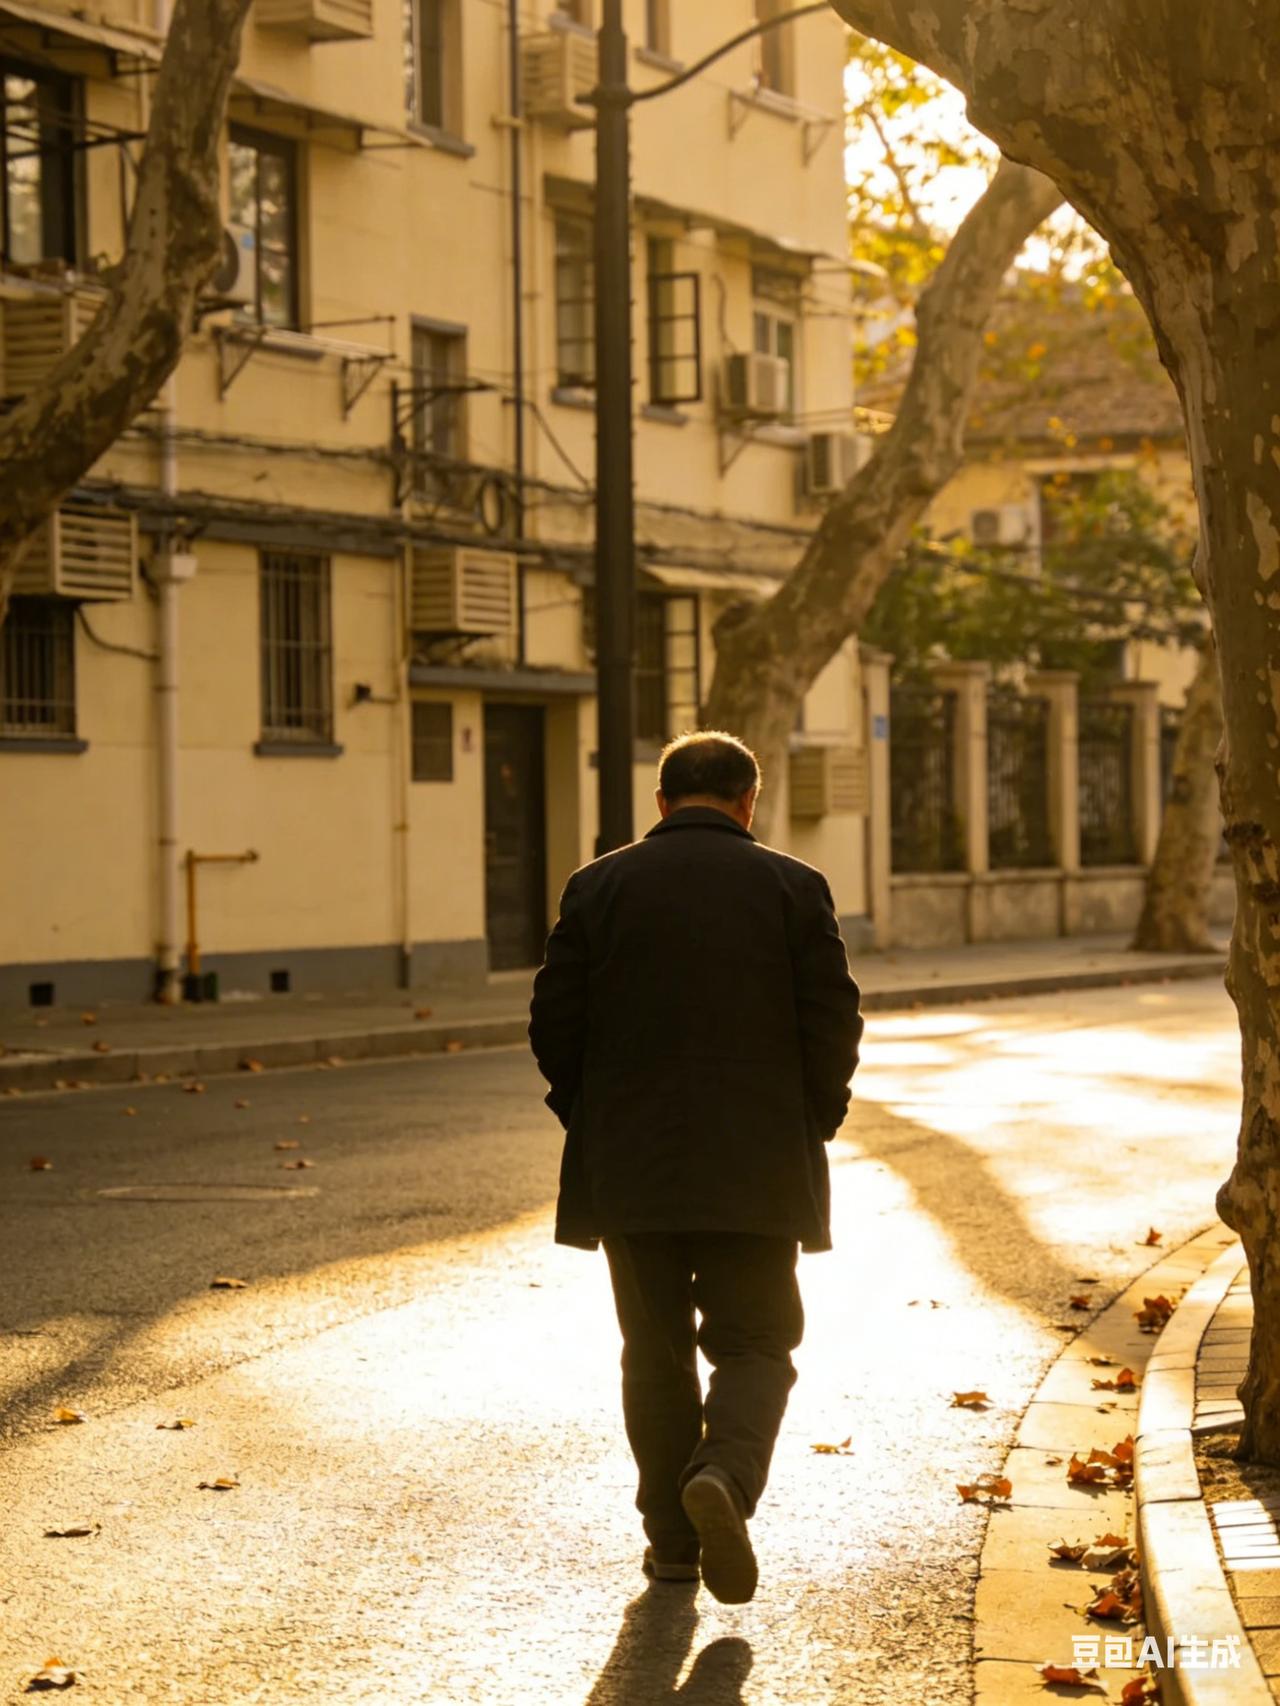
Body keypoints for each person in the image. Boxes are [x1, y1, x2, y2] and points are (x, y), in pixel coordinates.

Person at [528, 729, 863, 1605]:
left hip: (631, 1164)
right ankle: (724, 1474)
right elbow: (833, 1022)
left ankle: (672, 1545)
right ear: (750, 801)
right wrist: (808, 1124)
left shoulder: (597, 886)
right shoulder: (796, 887)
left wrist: (593, 1118)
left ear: (661, 802)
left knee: (655, 1352)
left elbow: (554, 1023)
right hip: (757, 1163)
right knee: (757, 1344)